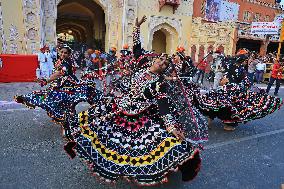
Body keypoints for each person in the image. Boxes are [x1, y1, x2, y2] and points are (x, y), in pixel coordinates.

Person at [62, 16, 208, 186]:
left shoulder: (160, 83)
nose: (161, 63)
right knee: (94, 128)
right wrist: (137, 28)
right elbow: (137, 48)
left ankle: (139, 170)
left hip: (138, 115)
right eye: (160, 59)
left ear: (165, 69)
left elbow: (163, 105)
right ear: (154, 59)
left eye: (165, 64)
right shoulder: (143, 64)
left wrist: (170, 126)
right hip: (119, 105)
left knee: (140, 147)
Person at [15, 45, 99, 123]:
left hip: (69, 85)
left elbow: (60, 73)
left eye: (65, 53)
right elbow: (56, 73)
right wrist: (47, 79)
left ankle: (70, 118)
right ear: (58, 52)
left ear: (69, 54)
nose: (63, 54)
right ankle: (68, 117)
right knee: (54, 97)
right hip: (62, 83)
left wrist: (47, 80)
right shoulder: (60, 60)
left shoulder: (67, 61)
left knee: (58, 98)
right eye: (61, 52)